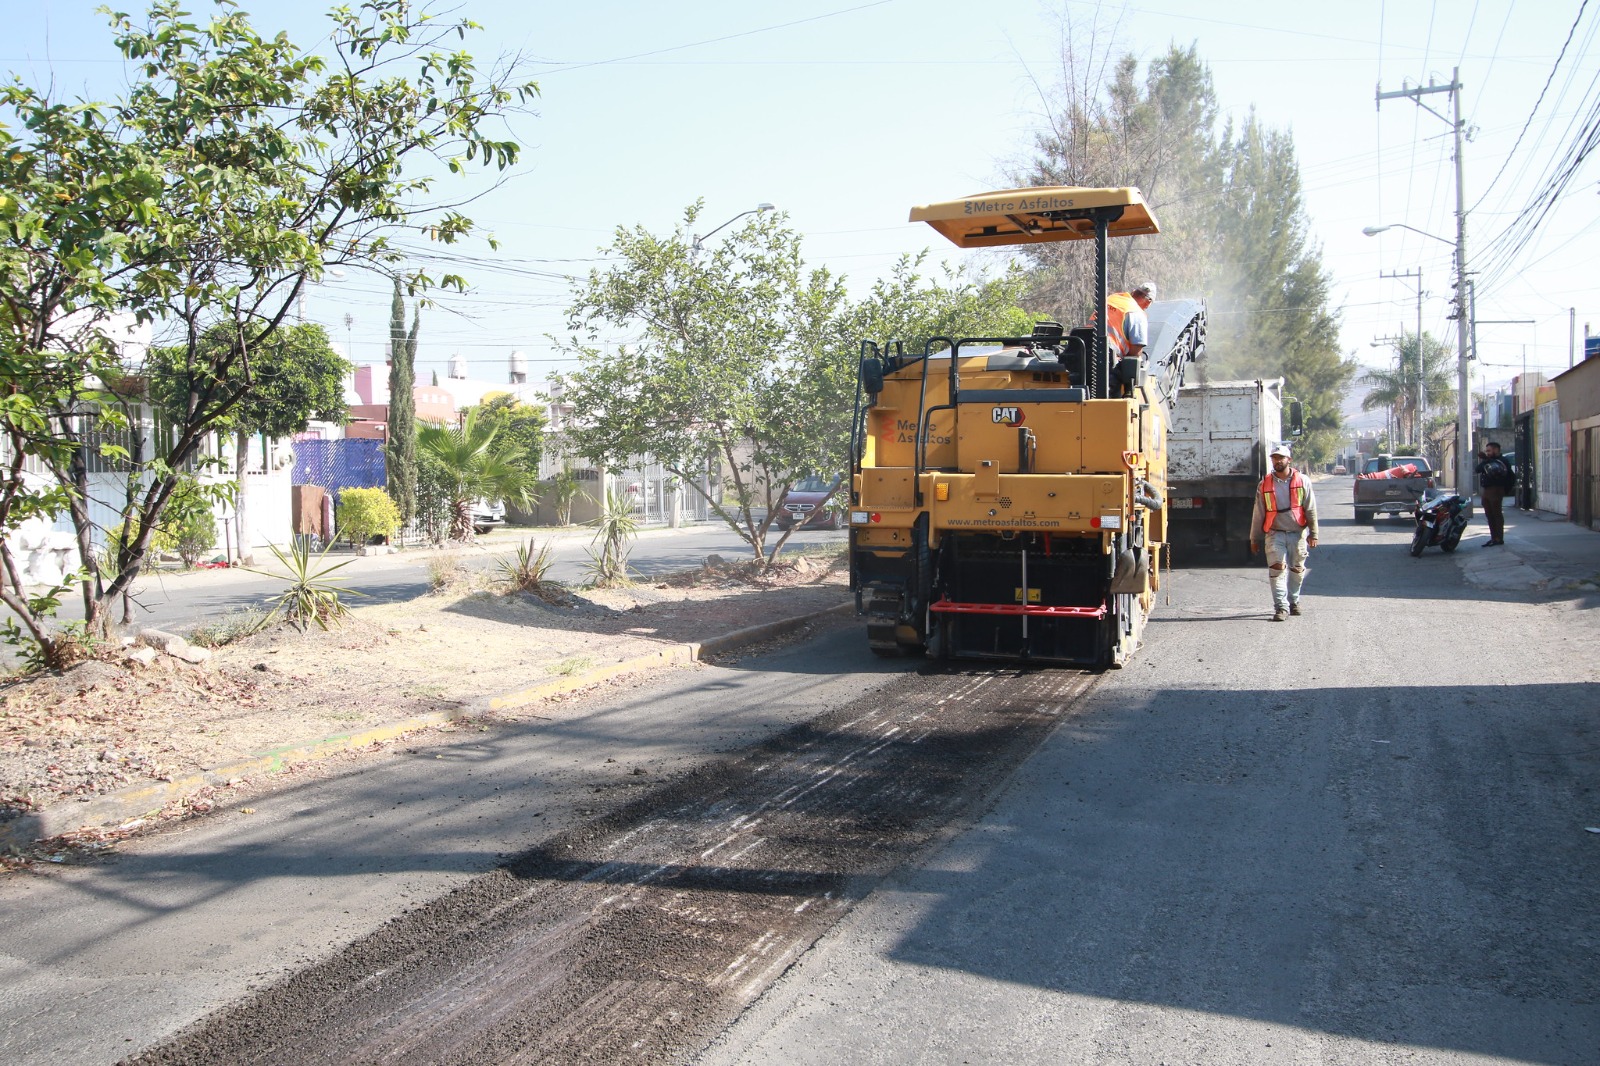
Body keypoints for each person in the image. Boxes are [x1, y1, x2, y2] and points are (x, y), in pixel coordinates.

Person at [1249, 443, 1319, 621]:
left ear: (1289, 460)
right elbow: (1259, 512)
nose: (1277, 461)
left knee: (1297, 569)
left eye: (1281, 458)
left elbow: (1310, 508)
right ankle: (1281, 607)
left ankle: (1294, 601)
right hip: (1274, 533)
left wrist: (1314, 533)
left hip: (1298, 533)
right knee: (1277, 569)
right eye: (1274, 458)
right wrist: (1254, 538)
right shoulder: (1264, 484)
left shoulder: (1303, 481)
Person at [1475, 440, 1516, 546]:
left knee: (1496, 514)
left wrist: (1487, 459)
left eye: (1489, 450)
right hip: (1487, 489)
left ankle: (1499, 538)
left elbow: (1501, 472)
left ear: (1496, 450)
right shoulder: (1487, 461)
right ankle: (1493, 537)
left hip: (1496, 489)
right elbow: (1478, 469)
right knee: (1489, 514)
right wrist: (1485, 460)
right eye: (1486, 451)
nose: (1487, 452)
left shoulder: (1503, 460)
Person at [1104, 281, 1157, 359]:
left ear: (1133, 292)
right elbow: (1136, 351)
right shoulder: (1137, 312)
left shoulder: (1112, 298)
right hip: (1108, 357)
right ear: (1148, 302)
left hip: (1084, 348)